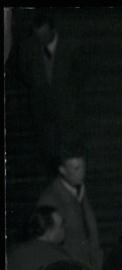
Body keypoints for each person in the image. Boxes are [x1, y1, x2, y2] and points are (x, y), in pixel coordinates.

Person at [15, 12, 84, 168]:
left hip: (67, 106)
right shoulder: (28, 48)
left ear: (53, 31)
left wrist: (70, 95)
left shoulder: (70, 47)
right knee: (49, 144)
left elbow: (80, 74)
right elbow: (23, 73)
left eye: (44, 35)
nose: (41, 39)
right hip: (42, 106)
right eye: (37, 36)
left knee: (70, 142)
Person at [37, 145, 102, 270]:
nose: (82, 172)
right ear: (62, 170)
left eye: (83, 166)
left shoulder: (82, 191)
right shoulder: (50, 199)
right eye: (76, 168)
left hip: (90, 269)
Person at [7, 205, 69, 270]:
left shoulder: (14, 253)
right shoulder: (60, 258)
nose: (64, 229)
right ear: (50, 230)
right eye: (61, 226)